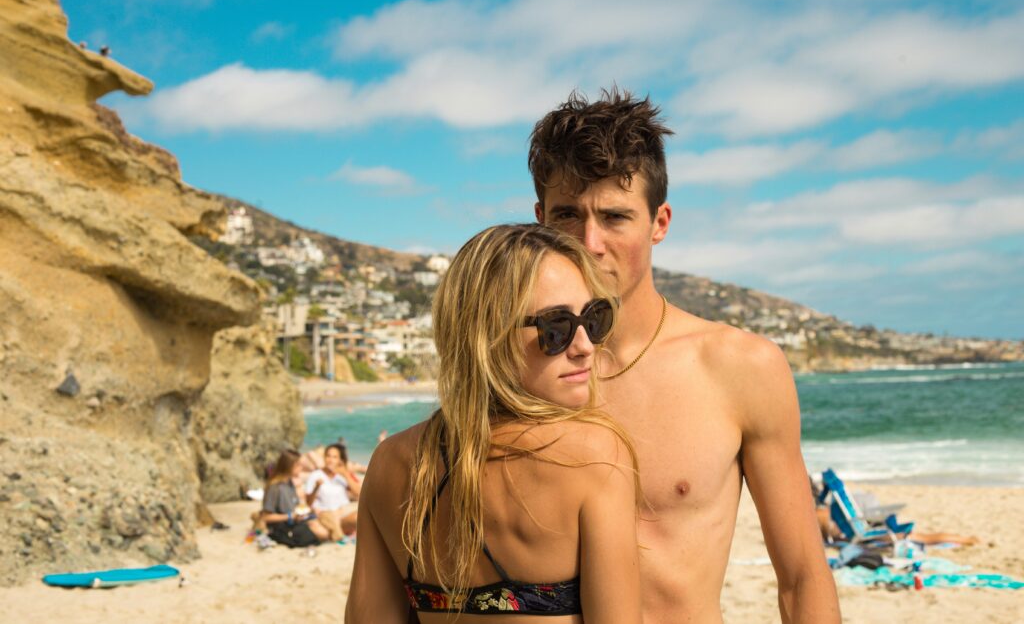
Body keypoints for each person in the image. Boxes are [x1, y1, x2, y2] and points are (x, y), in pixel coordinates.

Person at [528, 89, 840, 623]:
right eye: (567, 215)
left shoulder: (739, 367)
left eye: (615, 217)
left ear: (660, 223)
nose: (589, 241)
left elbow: (803, 576)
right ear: (538, 220)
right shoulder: (516, 369)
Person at [346, 224, 642, 623]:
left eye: (594, 318)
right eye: (555, 328)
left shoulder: (389, 463)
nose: (585, 346)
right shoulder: (592, 457)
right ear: (488, 335)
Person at [261, 449, 330, 548]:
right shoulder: (275, 487)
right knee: (321, 535)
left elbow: (303, 505)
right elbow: (266, 517)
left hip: (295, 521)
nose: (302, 468)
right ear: (288, 466)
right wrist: (290, 516)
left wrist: (316, 488)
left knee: (323, 529)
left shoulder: (289, 483)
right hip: (283, 527)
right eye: (298, 465)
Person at [305, 443, 361, 540]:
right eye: (328, 456)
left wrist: (346, 475)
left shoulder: (342, 476)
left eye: (334, 457)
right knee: (318, 529)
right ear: (324, 457)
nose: (330, 460)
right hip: (326, 516)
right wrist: (316, 488)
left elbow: (359, 494)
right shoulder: (315, 475)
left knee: (358, 517)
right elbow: (308, 503)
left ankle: (338, 532)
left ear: (340, 460)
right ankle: (343, 533)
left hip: (343, 516)